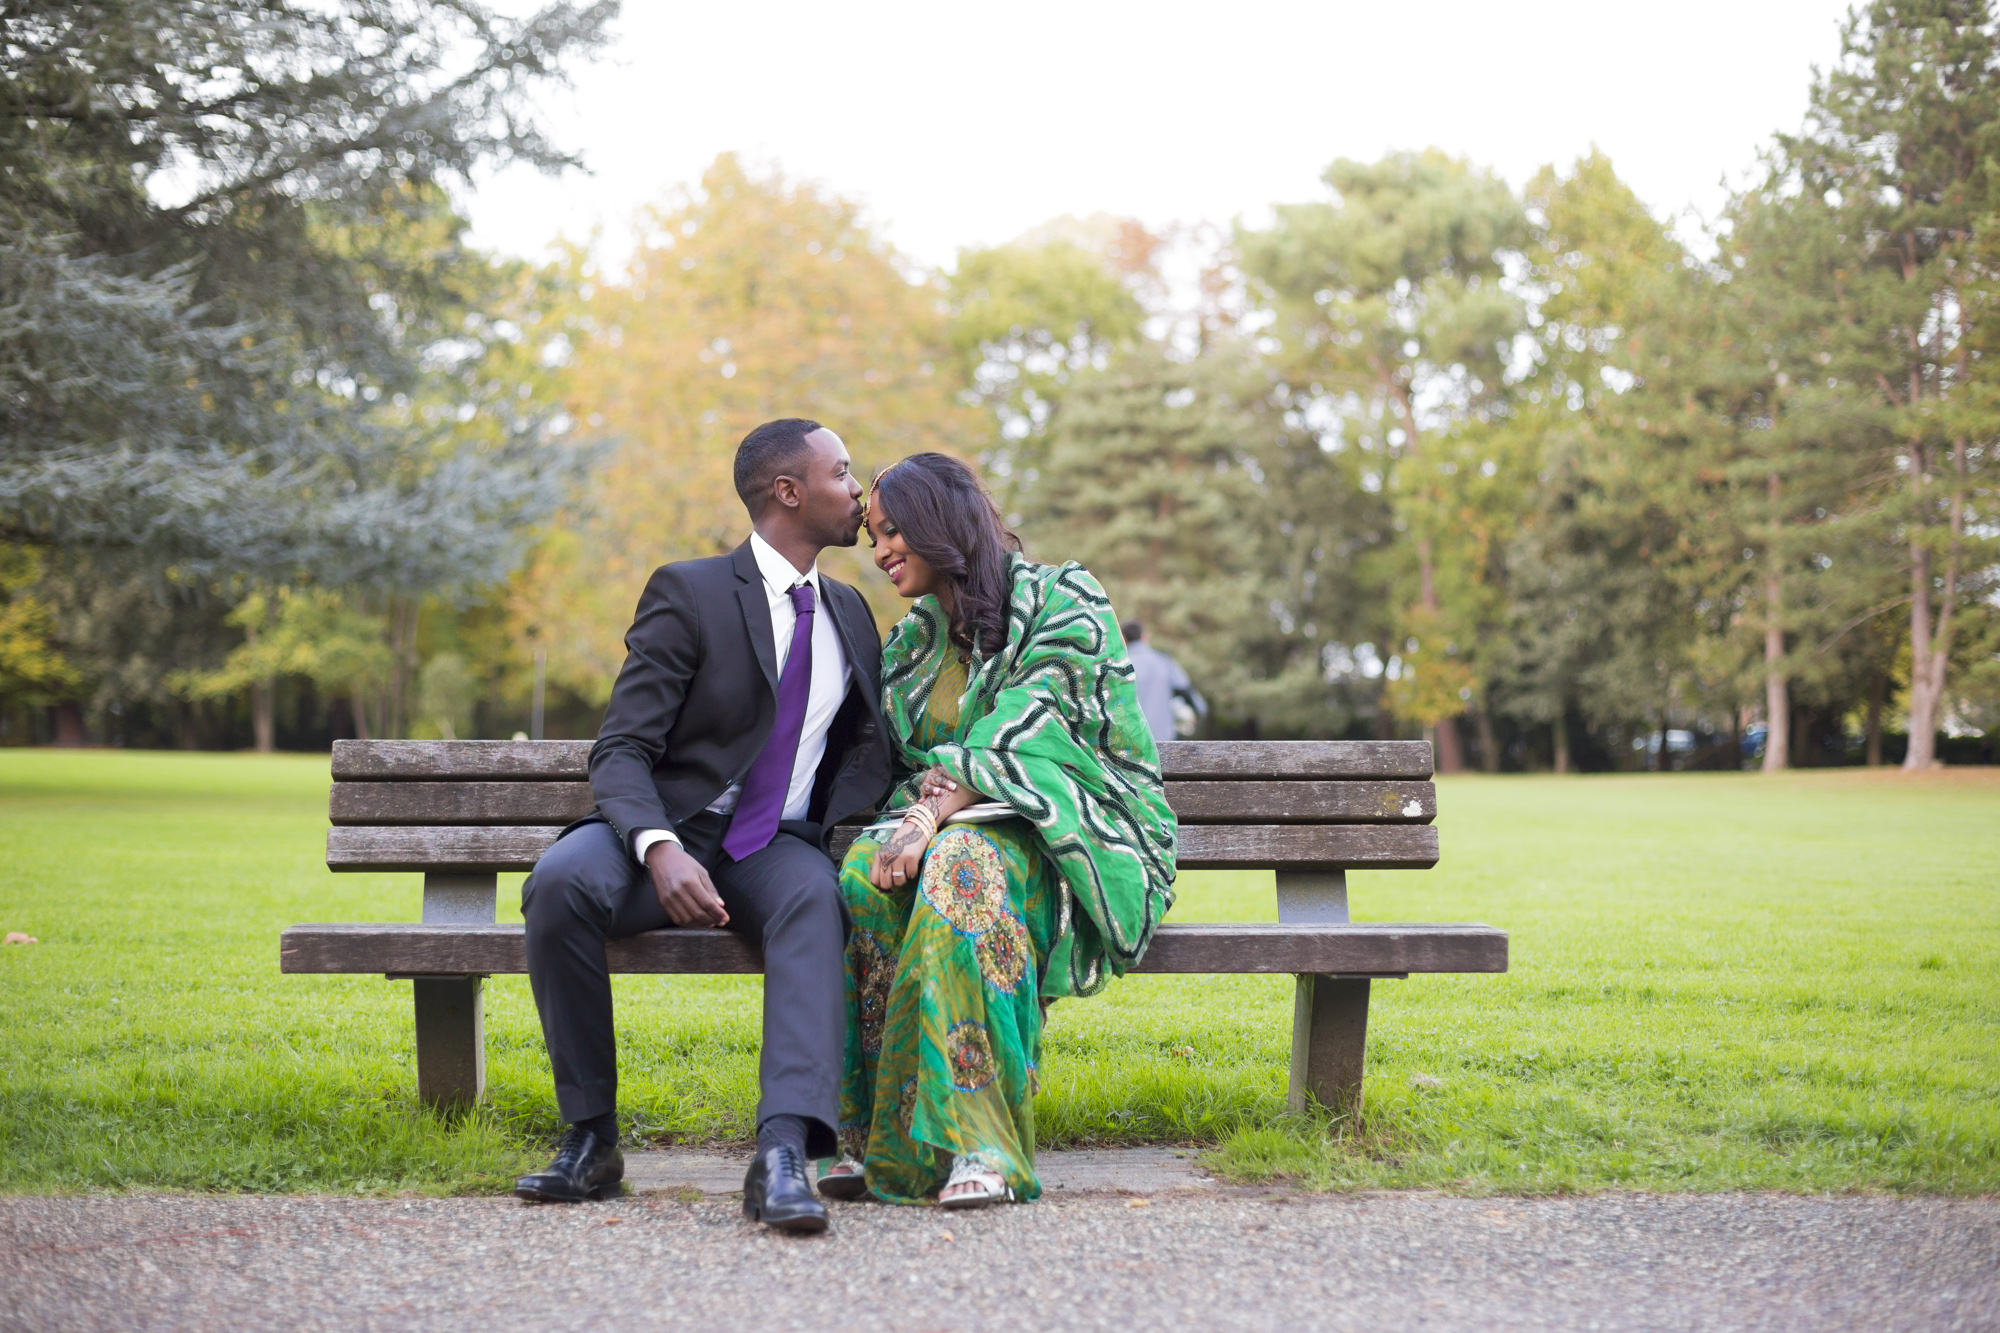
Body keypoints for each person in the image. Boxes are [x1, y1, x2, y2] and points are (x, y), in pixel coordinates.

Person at [513, 419, 892, 1235]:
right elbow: (621, 747)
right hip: (671, 829)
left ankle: (782, 1152)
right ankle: (591, 1138)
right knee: (559, 883)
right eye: (841, 472)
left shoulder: (852, 611)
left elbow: (867, 743)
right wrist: (657, 847)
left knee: (814, 900)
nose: (857, 489)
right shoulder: (689, 592)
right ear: (788, 491)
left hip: (773, 846)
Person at [817, 452, 1177, 1209]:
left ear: (939, 524)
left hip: (1056, 836)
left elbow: (1034, 722)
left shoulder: (1062, 599)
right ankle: (893, 1146)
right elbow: (901, 760)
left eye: (893, 531)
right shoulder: (913, 643)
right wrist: (911, 821)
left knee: (962, 869)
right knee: (861, 879)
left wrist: (929, 816)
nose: (881, 551)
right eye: (874, 536)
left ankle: (982, 1143)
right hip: (940, 823)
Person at [1122, 618, 1206, 743]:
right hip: (1164, 738)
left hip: (1130, 742)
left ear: (1123, 639)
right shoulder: (1164, 661)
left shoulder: (1119, 665)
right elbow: (1188, 694)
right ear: (1145, 637)